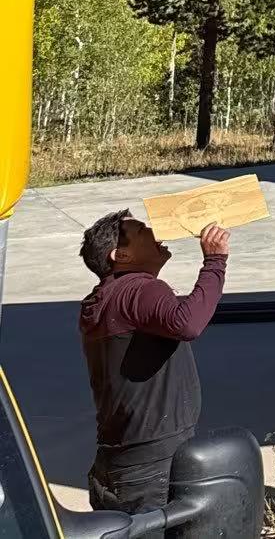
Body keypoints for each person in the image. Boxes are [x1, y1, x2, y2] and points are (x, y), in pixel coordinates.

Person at [77, 211, 231, 514]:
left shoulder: (101, 299)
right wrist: (215, 262)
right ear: (120, 254)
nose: (156, 233)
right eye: (142, 232)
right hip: (153, 468)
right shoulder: (137, 288)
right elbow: (187, 323)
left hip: (117, 463)